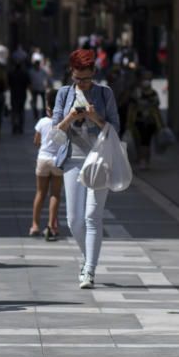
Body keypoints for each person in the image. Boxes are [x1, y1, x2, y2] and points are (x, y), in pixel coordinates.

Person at [52, 48, 120, 289]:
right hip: (72, 159)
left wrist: (95, 118)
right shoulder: (63, 94)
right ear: (71, 72)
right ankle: (87, 259)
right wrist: (69, 118)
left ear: (94, 73)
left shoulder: (104, 94)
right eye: (78, 78)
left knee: (92, 217)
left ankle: (89, 270)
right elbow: (55, 133)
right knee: (73, 221)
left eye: (87, 78)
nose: (82, 83)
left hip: (99, 160)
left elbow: (115, 128)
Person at [30, 89, 62, 241]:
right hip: (58, 161)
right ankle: (51, 226)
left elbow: (36, 141)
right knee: (55, 194)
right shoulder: (63, 122)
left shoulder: (42, 122)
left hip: (43, 159)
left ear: (47, 108)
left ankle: (35, 225)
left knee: (40, 193)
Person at [125, 71, 163, 171]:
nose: (146, 81)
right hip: (139, 120)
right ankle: (142, 160)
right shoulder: (136, 92)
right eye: (145, 79)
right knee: (142, 141)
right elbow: (131, 107)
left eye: (148, 79)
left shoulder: (153, 92)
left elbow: (157, 105)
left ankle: (146, 160)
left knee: (148, 142)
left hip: (151, 121)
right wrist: (129, 123)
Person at [8, 61, 30, 135]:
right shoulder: (24, 74)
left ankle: (14, 126)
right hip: (22, 95)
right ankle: (20, 126)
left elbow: (8, 84)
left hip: (13, 94)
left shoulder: (11, 74)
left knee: (14, 111)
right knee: (21, 111)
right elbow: (28, 84)